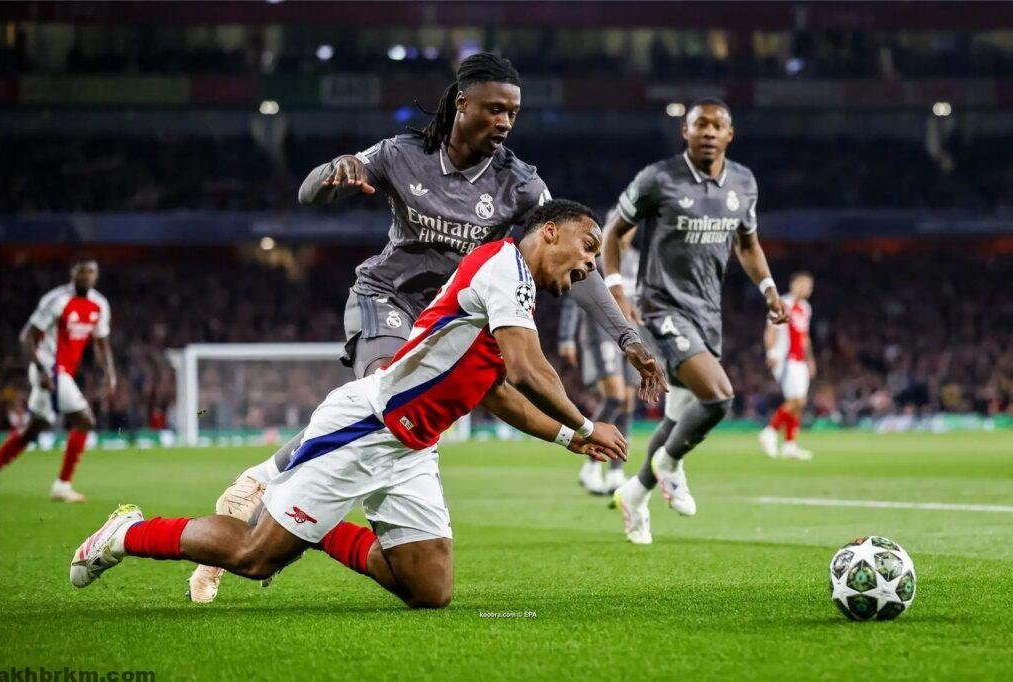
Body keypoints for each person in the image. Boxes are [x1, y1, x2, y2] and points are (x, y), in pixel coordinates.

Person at [187, 52, 665, 602]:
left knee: (398, 429)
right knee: (386, 395)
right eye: (495, 109)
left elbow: (580, 264)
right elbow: (310, 192)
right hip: (388, 299)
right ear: (462, 103)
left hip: (453, 322)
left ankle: (287, 516)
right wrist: (334, 172)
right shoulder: (402, 153)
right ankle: (262, 488)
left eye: (513, 113)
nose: (505, 122)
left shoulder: (521, 185)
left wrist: (627, 337)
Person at [72, 200, 629, 609]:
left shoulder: (517, 293)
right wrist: (586, 424)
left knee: (429, 590)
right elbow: (530, 370)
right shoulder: (503, 267)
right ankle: (125, 534)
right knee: (254, 557)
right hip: (366, 426)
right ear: (549, 231)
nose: (590, 266)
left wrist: (567, 437)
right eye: (588, 247)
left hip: (412, 448)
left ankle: (315, 526)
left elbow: (497, 389)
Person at [603, 98, 789, 544]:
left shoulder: (743, 183)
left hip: (707, 312)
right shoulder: (658, 178)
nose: (708, 131)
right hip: (661, 307)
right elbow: (613, 232)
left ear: (730, 134)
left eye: (717, 125)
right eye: (699, 124)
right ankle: (669, 465)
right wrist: (617, 290)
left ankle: (635, 495)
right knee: (719, 396)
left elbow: (747, 244)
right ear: (684, 132)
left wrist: (768, 289)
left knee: (677, 417)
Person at [0, 254, 116, 502]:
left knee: (31, 431)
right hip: (49, 367)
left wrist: (110, 373)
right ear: (73, 273)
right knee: (85, 420)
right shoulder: (57, 300)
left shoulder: (100, 304)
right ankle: (62, 485)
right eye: (82, 271)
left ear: (96, 275)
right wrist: (41, 370)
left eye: (91, 272)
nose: (87, 276)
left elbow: (102, 343)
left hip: (62, 372)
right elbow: (27, 337)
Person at [558, 247, 641, 495]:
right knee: (614, 396)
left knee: (628, 401)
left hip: (632, 333)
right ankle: (591, 465)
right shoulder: (598, 257)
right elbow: (576, 292)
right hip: (601, 331)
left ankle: (615, 472)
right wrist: (567, 337)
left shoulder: (635, 259)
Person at [759, 272, 815, 460]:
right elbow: (771, 329)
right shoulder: (782, 303)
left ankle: (790, 445)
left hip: (800, 361)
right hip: (786, 359)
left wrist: (810, 359)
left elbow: (805, 337)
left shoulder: (806, 308)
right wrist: (771, 353)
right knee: (797, 401)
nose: (806, 289)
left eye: (809, 286)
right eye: (803, 284)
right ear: (793, 285)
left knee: (799, 403)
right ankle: (769, 431)